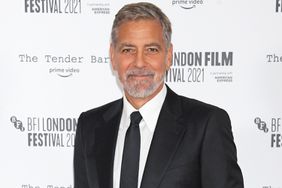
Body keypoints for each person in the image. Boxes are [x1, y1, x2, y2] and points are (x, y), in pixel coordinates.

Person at [73, 2, 244, 188]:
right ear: (113, 57)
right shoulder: (89, 126)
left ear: (169, 56)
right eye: (128, 50)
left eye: (151, 50)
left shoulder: (205, 124)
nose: (139, 63)